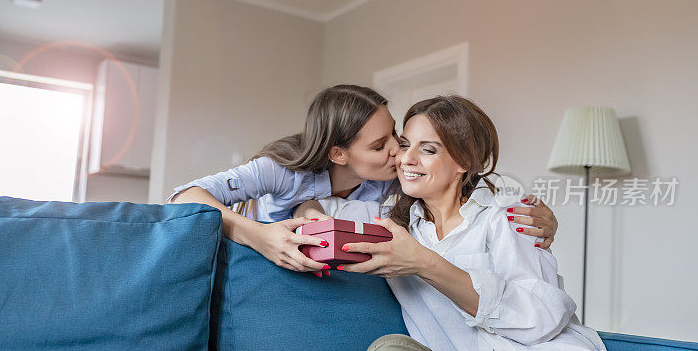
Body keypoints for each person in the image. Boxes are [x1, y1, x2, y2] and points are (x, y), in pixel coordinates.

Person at [295, 95, 636, 351]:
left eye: (427, 149)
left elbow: (543, 319)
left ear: (463, 162)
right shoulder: (389, 223)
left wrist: (424, 263)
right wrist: (309, 214)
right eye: (406, 145)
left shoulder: (507, 214)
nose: (406, 159)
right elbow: (309, 205)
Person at [169, 85, 557, 275]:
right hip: (264, 269)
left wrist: (538, 217)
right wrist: (258, 234)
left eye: (396, 136)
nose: (399, 152)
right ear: (338, 154)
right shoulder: (282, 168)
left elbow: (461, 192)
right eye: (380, 146)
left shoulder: (396, 182)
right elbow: (185, 196)